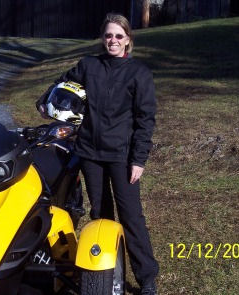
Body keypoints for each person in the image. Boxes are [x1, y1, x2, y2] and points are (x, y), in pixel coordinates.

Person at [36, 13, 159, 294]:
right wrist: (44, 101)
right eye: (108, 35)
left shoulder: (138, 72)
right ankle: (104, 271)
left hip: (122, 155)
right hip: (90, 152)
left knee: (131, 216)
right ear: (102, 38)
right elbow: (62, 84)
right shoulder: (89, 65)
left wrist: (139, 159)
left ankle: (147, 278)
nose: (112, 41)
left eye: (118, 36)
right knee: (101, 214)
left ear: (128, 39)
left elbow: (145, 119)